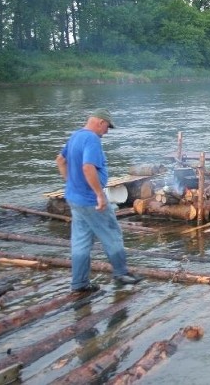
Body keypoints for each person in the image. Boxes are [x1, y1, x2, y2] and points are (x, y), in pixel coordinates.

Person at [56, 108, 143, 292]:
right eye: (107, 127)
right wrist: (99, 194)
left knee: (81, 241)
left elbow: (60, 161)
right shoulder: (91, 139)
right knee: (112, 233)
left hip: (75, 198)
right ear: (100, 122)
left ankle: (79, 283)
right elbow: (88, 167)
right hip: (90, 200)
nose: (107, 131)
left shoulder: (75, 136)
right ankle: (121, 273)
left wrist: (71, 183)